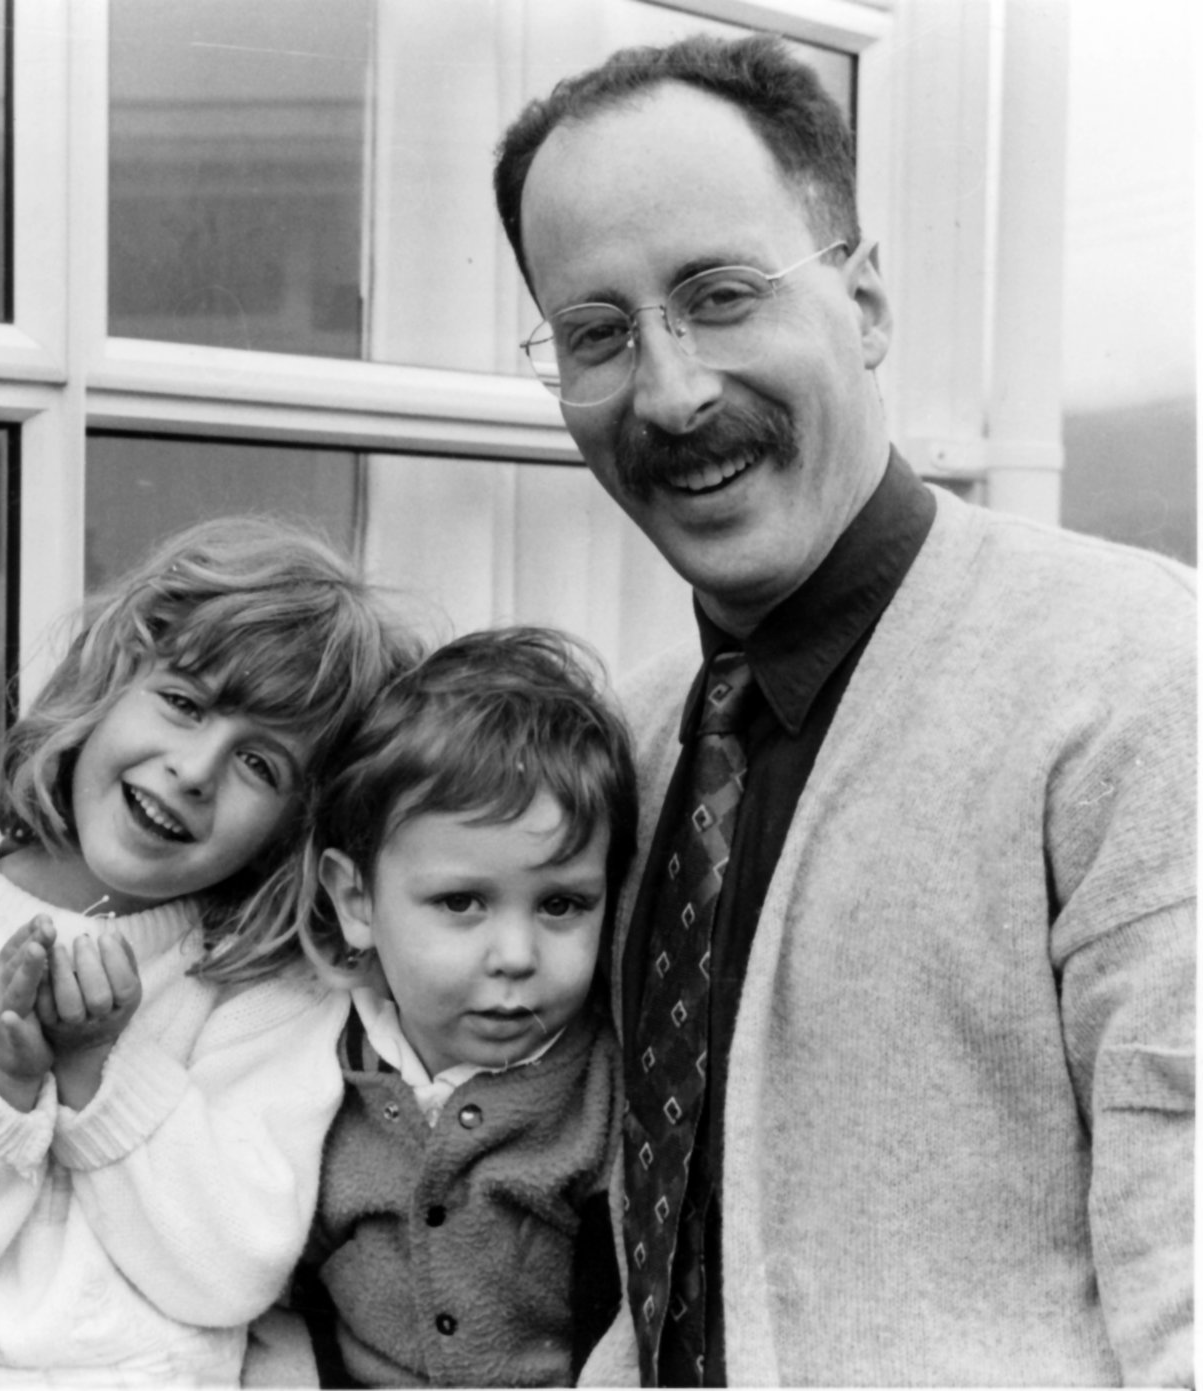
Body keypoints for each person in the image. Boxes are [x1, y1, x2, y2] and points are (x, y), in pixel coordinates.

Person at [493, 32, 1194, 1387]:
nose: (670, 389)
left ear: (862, 303)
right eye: (595, 332)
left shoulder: (1133, 674)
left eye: (719, 293)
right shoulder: (634, 745)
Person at [0, 516, 418, 1383]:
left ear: (296, 828)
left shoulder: (263, 977)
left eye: (261, 765)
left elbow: (231, 1267)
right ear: (110, 675)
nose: (195, 768)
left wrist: (100, 1072)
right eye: (184, 702)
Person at [292, 626, 633, 1387]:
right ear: (355, 900)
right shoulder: (311, 1073)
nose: (514, 953)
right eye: (460, 901)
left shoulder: (605, 1099)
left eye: (561, 904)